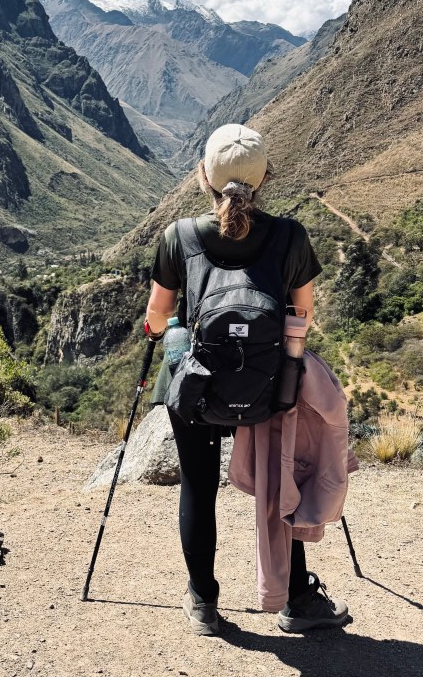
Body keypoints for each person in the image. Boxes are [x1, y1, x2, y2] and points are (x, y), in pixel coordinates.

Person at [145, 123, 348, 636]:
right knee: (284, 479)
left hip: (194, 386)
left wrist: (171, 327)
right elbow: (304, 312)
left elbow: (154, 318)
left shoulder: (180, 236)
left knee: (197, 485)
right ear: (263, 180)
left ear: (203, 177)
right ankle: (295, 599)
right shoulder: (289, 236)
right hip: (269, 385)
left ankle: (204, 603)